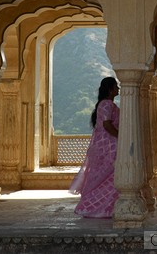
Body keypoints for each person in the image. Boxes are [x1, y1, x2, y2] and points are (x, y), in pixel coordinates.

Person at [69, 77, 120, 218]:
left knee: (103, 176)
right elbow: (107, 125)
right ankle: (92, 206)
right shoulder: (107, 104)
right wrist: (121, 137)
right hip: (108, 146)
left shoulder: (106, 104)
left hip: (103, 145)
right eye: (116, 86)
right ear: (110, 89)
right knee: (109, 175)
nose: (118, 89)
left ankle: (100, 206)